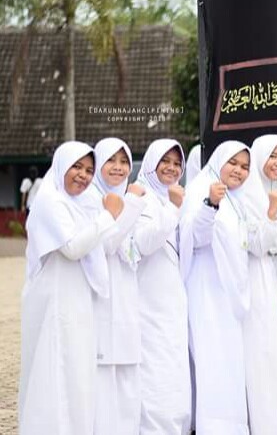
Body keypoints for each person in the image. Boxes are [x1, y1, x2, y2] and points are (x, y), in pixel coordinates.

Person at [19, 141, 123, 435]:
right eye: (76, 166)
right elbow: (73, 247)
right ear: (62, 165)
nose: (83, 175)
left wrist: (110, 215)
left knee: (76, 373)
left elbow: (104, 244)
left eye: (90, 170)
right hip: (53, 299)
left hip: (77, 299)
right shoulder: (50, 200)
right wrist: (108, 216)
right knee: (52, 370)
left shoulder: (84, 202)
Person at [180, 140, 253, 434]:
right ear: (218, 162)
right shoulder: (203, 189)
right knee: (212, 358)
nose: (238, 170)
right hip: (206, 286)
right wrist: (210, 205)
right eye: (233, 163)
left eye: (245, 166)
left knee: (228, 359)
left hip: (228, 291)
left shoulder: (237, 197)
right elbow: (195, 237)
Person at [87, 138, 148, 435]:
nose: (118, 168)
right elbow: (108, 243)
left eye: (124, 162)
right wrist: (132, 204)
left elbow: (132, 248)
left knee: (126, 381)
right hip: (100, 300)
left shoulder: (124, 197)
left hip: (125, 298)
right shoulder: (91, 199)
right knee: (102, 381)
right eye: (111, 161)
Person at [241, 134, 277, 435]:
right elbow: (256, 245)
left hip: (275, 288)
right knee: (260, 357)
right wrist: (271, 210)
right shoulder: (245, 197)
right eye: (272, 156)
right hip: (254, 288)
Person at [134, 139, 191, 435]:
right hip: (149, 302)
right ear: (151, 164)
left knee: (174, 368)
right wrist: (173, 208)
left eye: (176, 162)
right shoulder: (142, 198)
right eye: (164, 161)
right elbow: (144, 243)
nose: (171, 168)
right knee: (155, 371)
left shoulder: (177, 197)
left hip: (174, 301)